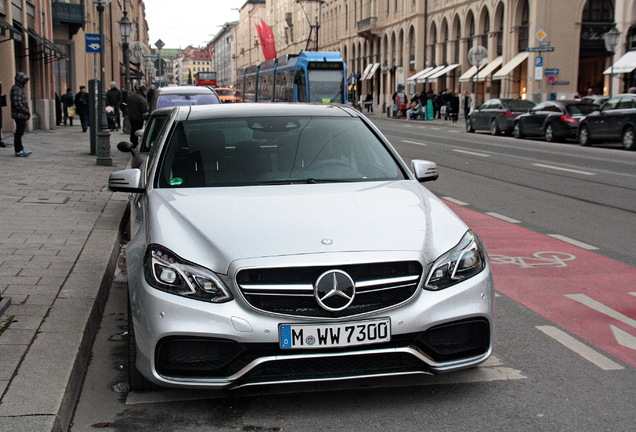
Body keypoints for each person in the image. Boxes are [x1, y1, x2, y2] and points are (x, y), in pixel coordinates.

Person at [10, 72, 32, 157]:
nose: (26, 83)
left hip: (21, 114)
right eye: (25, 81)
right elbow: (18, 103)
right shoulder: (16, 89)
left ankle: (20, 148)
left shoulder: (19, 88)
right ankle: (18, 150)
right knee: (19, 132)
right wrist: (25, 111)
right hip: (19, 114)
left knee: (20, 132)